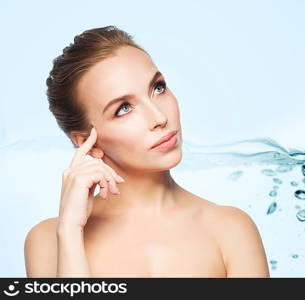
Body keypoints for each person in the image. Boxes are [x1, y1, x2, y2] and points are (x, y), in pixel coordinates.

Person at [24, 25, 270, 278]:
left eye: (158, 88)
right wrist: (70, 233)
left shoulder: (230, 229)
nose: (159, 117)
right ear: (89, 141)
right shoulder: (48, 241)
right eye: (123, 108)